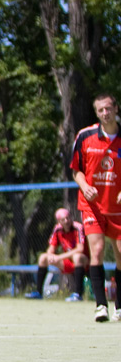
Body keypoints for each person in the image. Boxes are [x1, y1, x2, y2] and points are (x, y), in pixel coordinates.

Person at [70, 92, 121, 322]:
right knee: (97, 250)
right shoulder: (85, 136)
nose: (105, 113)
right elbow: (76, 171)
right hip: (92, 206)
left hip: (117, 209)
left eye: (108, 108)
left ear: (116, 108)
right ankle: (101, 306)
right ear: (96, 113)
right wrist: (85, 186)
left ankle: (119, 306)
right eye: (100, 110)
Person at [27, 208, 87, 301]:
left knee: (77, 257)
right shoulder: (57, 229)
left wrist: (59, 257)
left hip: (84, 262)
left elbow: (80, 249)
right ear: (59, 221)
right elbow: (51, 248)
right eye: (63, 220)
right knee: (43, 257)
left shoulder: (78, 227)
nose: (66, 221)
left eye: (68, 218)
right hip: (68, 262)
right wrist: (51, 256)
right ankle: (38, 292)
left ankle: (78, 294)